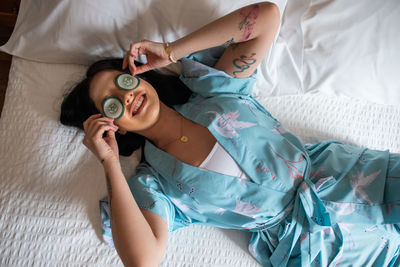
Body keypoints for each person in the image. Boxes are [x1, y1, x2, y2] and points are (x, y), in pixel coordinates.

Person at [60, 2, 400, 266]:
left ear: (140, 76)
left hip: (354, 177)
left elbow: (266, 16)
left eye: (123, 83)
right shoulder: (155, 185)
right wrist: (108, 162)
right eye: (111, 104)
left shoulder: (213, 91)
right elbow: (144, 260)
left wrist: (170, 50)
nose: (126, 96)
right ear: (111, 125)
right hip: (320, 249)